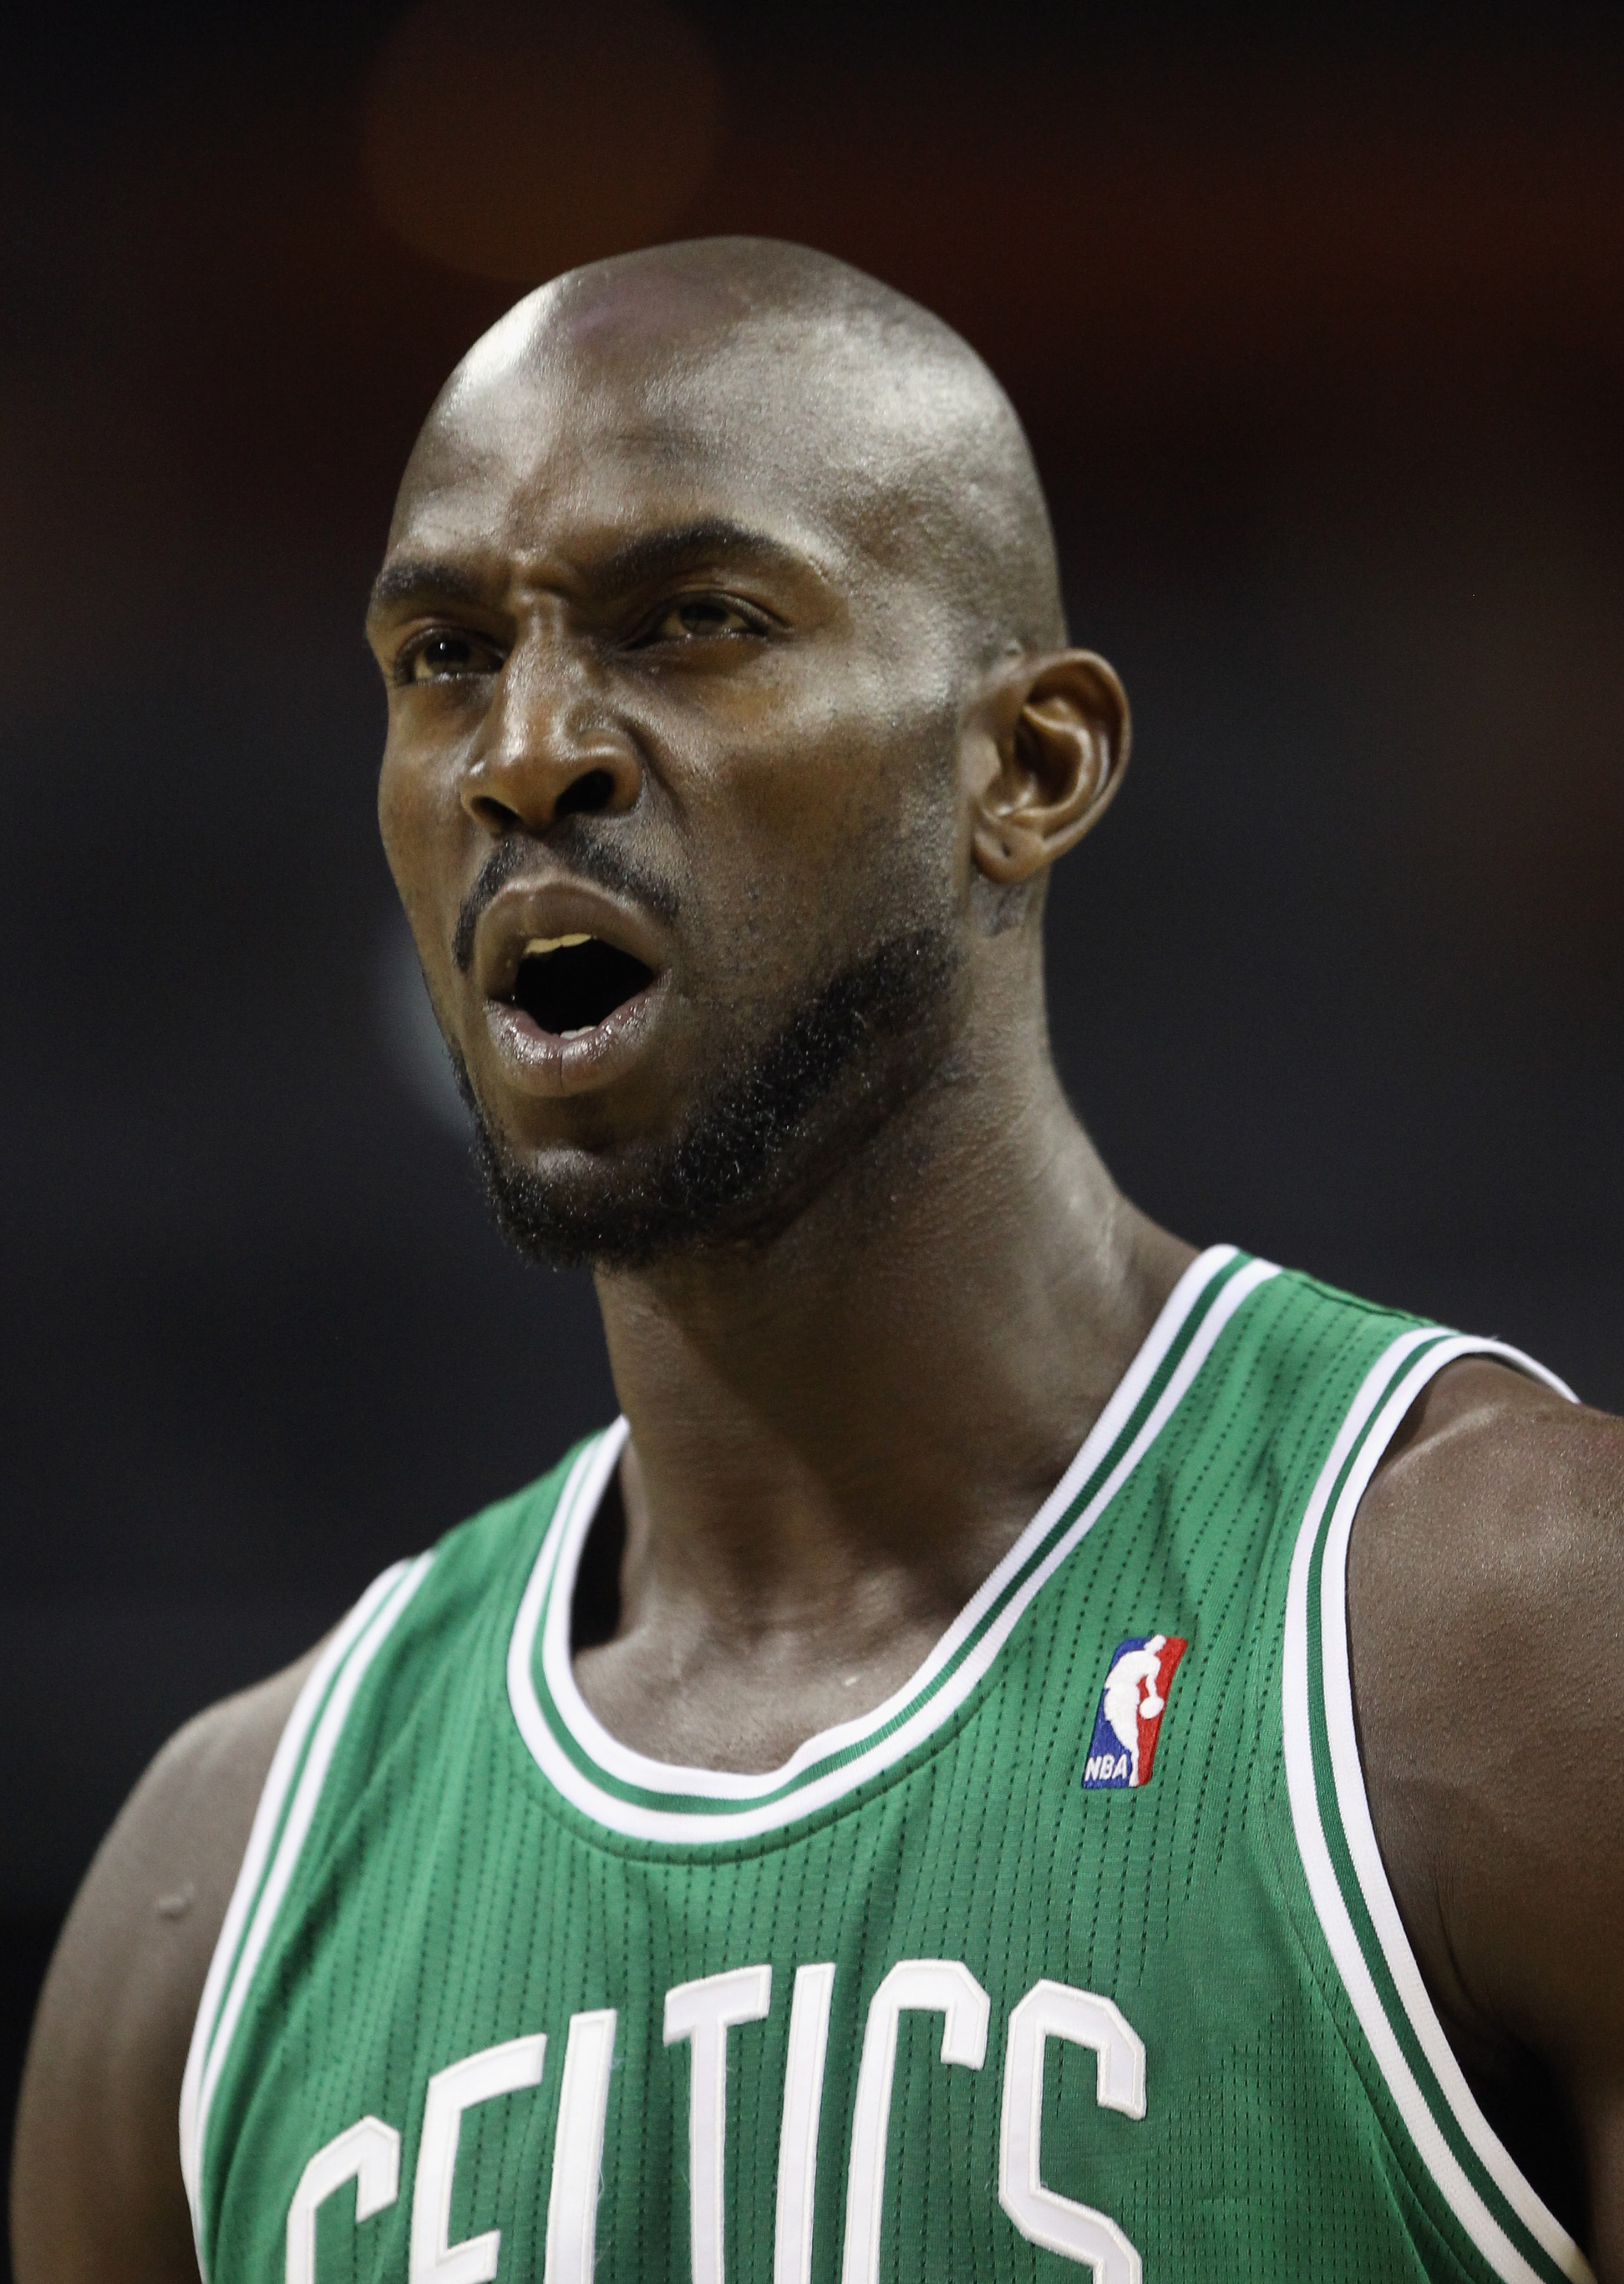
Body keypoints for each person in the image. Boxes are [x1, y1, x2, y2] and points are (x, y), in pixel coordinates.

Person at [13, 238, 1623, 2284]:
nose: (527, 753)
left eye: (692, 622)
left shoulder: (1522, 1651)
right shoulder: (217, 1898)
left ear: (1028, 768)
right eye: (438, 660)